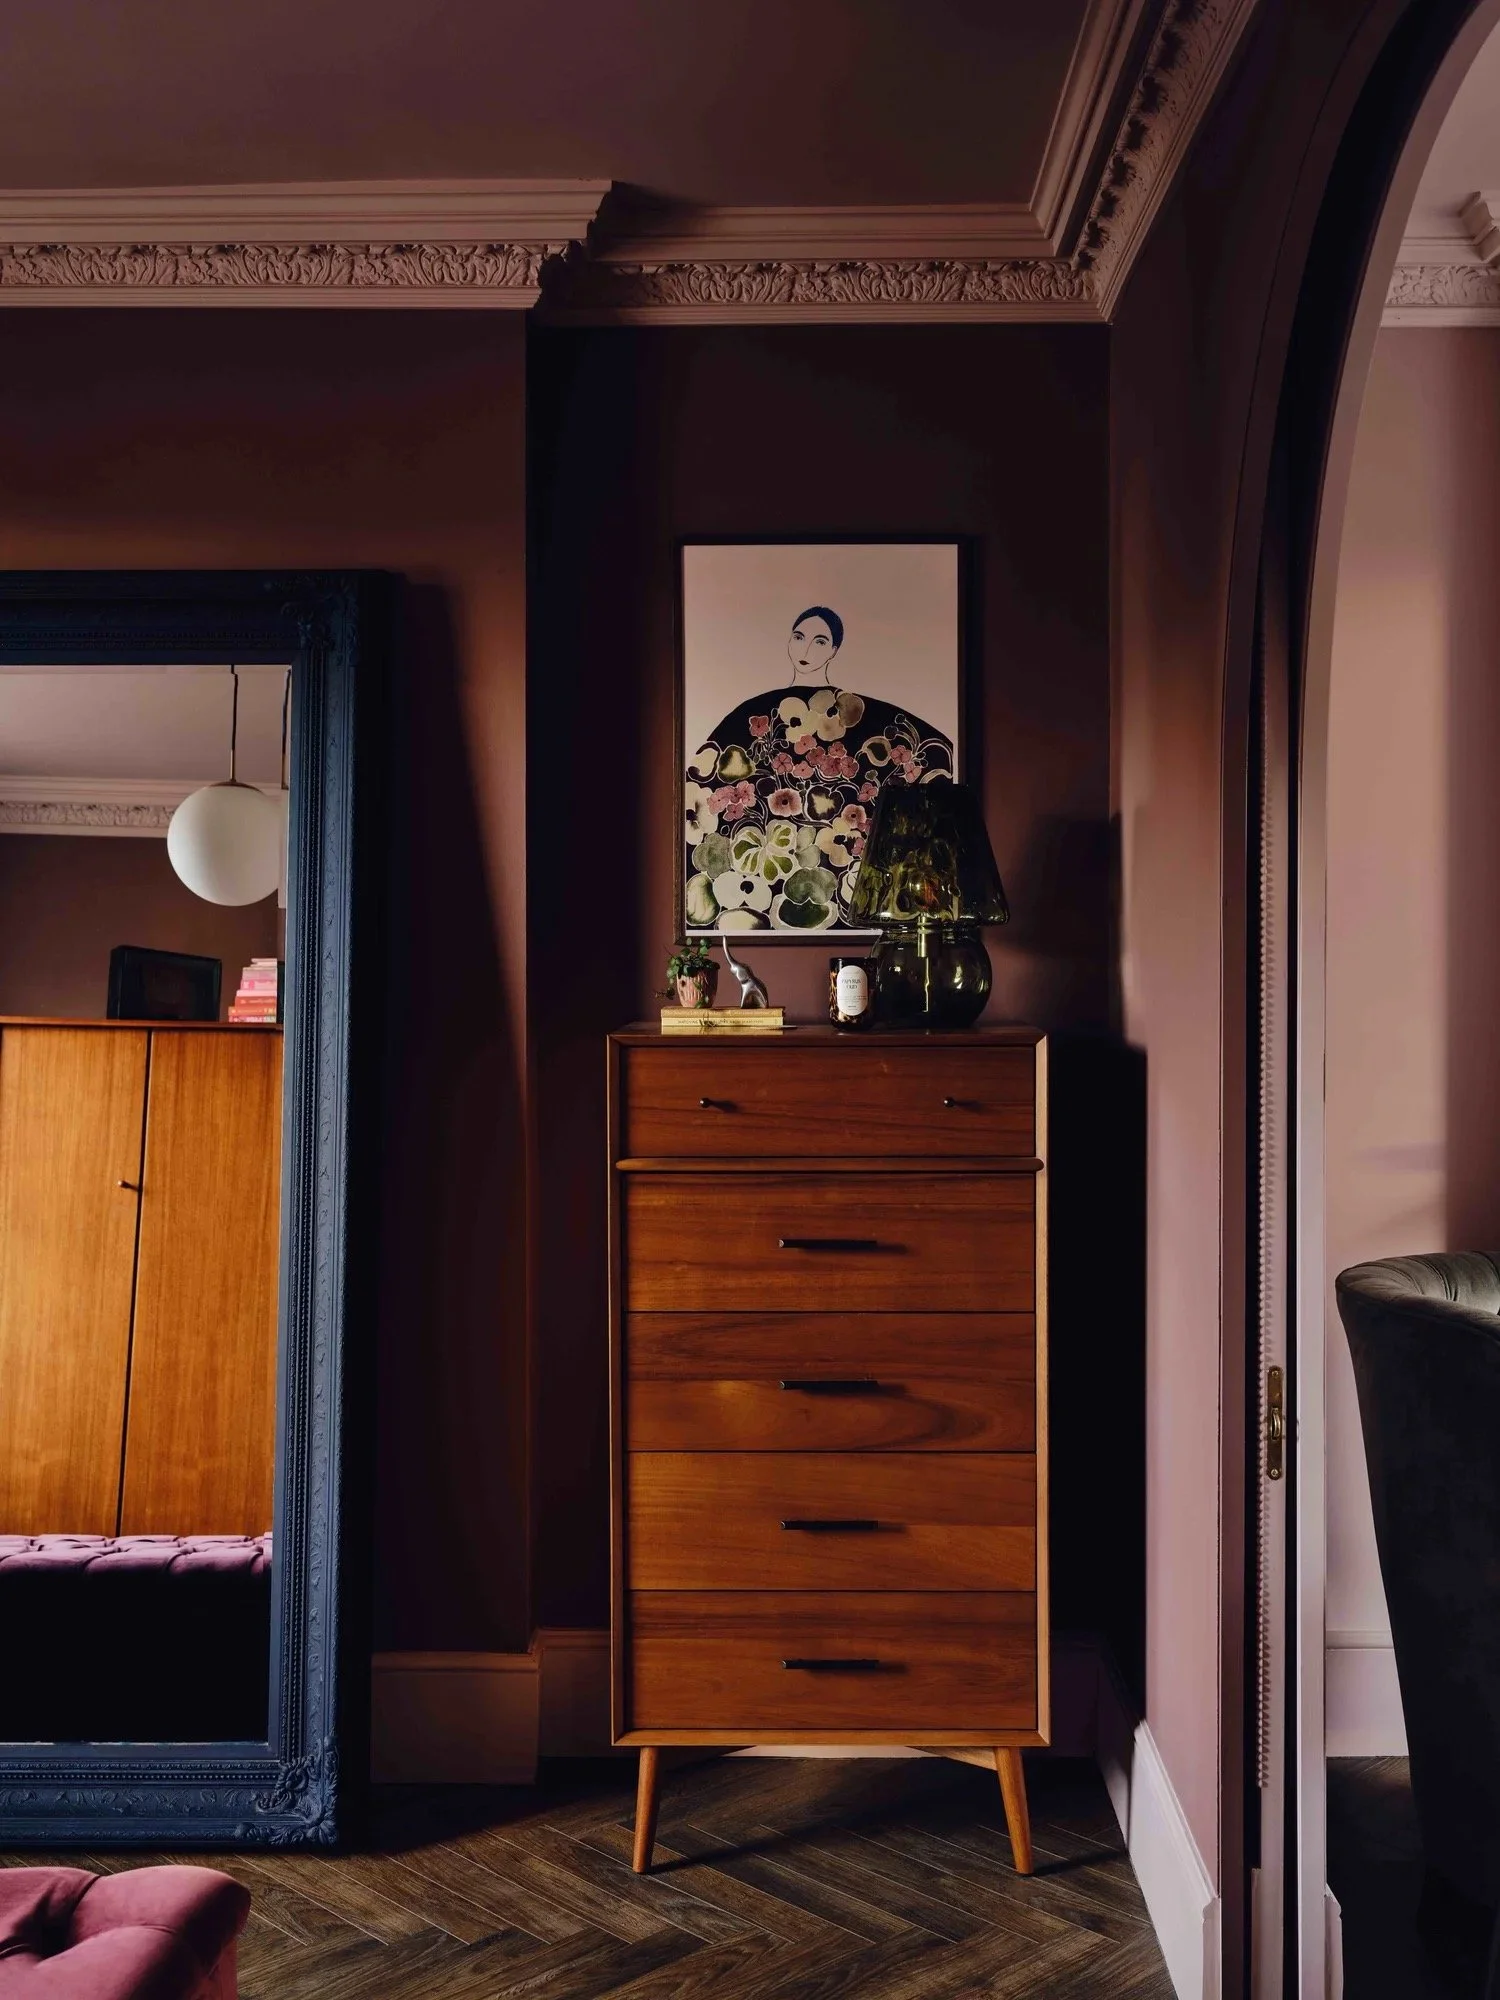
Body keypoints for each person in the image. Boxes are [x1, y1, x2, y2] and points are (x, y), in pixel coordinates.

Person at [683, 604, 953, 934]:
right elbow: (705, 780)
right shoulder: (754, 713)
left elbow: (932, 754)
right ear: (788, 642)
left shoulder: (856, 713)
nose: (807, 649)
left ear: (835, 650)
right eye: (799, 637)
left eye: (821, 641)